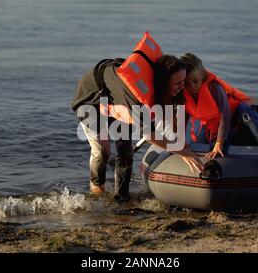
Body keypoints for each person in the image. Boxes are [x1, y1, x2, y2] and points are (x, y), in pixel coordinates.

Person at [71, 32, 203, 202]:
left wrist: (179, 141)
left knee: (125, 150)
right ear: (163, 82)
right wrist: (183, 152)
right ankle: (97, 188)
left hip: (118, 102)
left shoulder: (163, 88)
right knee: (103, 152)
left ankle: (122, 198)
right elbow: (149, 135)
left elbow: (175, 112)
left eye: (183, 81)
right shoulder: (136, 97)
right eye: (178, 83)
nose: (182, 87)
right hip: (92, 99)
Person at [180, 53, 258, 167]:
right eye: (187, 83)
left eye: (195, 81)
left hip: (234, 114)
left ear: (203, 77)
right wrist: (181, 144)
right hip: (216, 125)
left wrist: (219, 142)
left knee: (246, 112)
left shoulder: (214, 88)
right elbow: (184, 116)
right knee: (217, 155)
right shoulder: (181, 93)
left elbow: (225, 114)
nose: (192, 86)